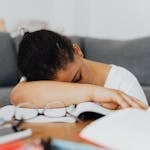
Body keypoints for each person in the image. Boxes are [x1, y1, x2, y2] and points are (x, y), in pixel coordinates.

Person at [10, 30, 148, 110]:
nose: (73, 89)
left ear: (77, 51)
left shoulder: (123, 82)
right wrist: (94, 92)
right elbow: (17, 96)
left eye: (77, 78)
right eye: (58, 87)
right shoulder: (42, 72)